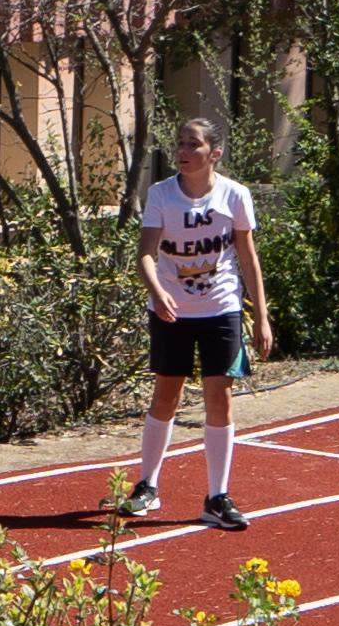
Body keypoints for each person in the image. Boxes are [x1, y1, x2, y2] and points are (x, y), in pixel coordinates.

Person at [116, 93, 273, 530]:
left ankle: (217, 496)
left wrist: (260, 315)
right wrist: (157, 290)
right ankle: (147, 485)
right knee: (165, 394)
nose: (182, 152)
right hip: (172, 311)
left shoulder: (234, 195)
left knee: (218, 397)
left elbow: (248, 256)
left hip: (221, 308)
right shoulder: (162, 195)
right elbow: (146, 252)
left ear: (213, 153)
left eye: (192, 145)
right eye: (180, 144)